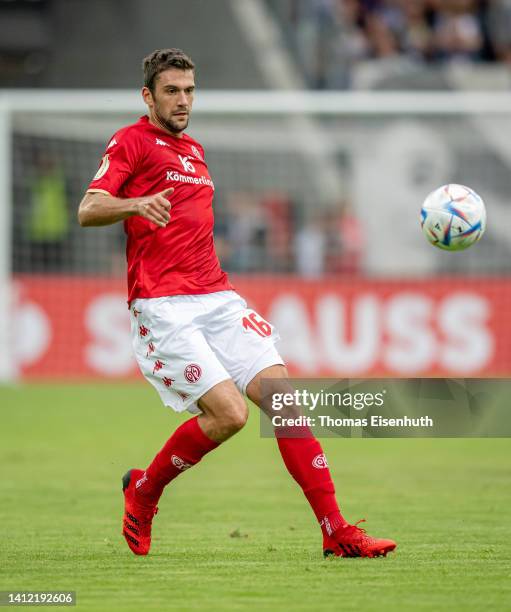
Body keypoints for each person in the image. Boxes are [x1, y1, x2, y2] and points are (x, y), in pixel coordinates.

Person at [78, 48, 396, 559]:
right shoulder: (131, 141)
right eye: (171, 91)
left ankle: (336, 530)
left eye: (189, 91)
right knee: (229, 416)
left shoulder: (196, 151)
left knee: (286, 405)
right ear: (148, 96)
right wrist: (136, 203)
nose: (183, 101)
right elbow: (89, 207)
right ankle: (144, 490)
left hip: (217, 296)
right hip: (164, 304)